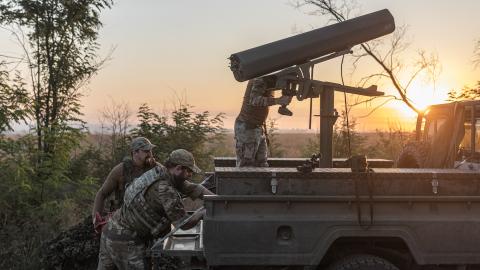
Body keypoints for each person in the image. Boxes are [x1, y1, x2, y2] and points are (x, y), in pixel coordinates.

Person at [97, 149, 213, 270]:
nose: (190, 175)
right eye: (189, 171)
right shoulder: (165, 189)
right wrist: (203, 211)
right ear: (178, 168)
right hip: (125, 241)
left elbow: (193, 188)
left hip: (110, 231)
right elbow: (183, 223)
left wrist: (216, 200)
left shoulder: (160, 172)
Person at [92, 137, 158, 234]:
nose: (150, 154)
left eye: (150, 151)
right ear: (135, 152)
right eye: (146, 151)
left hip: (148, 221)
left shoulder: (156, 168)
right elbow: (102, 194)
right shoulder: (120, 170)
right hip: (124, 222)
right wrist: (95, 218)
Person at [235, 77, 292, 167]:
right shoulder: (260, 78)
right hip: (248, 128)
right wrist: (278, 100)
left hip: (257, 128)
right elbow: (254, 100)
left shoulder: (269, 79)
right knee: (246, 166)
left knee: (262, 164)